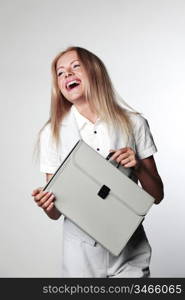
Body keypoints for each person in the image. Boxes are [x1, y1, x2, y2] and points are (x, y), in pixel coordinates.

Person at [32, 46, 164, 278]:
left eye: (75, 67)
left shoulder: (134, 124)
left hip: (130, 250)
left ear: (94, 71)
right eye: (60, 73)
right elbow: (55, 213)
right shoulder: (51, 133)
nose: (67, 75)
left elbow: (157, 195)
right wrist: (47, 204)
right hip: (80, 256)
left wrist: (140, 167)